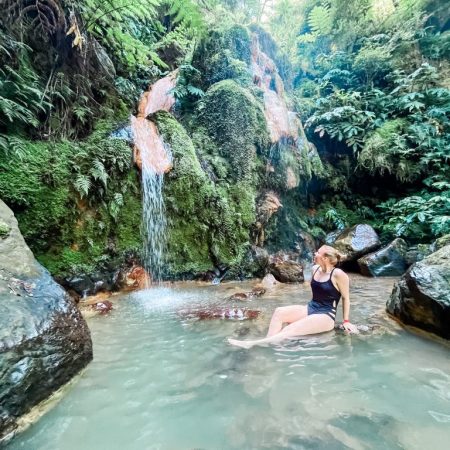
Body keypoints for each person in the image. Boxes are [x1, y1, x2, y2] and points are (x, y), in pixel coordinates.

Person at [228, 245, 359, 349]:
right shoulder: (314, 269)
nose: (315, 254)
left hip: (326, 315)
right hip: (311, 307)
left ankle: (254, 344)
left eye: (318, 252)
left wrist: (346, 321)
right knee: (279, 312)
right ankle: (271, 343)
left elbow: (346, 298)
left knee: (290, 329)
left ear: (325, 258)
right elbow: (317, 295)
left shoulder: (339, 274)